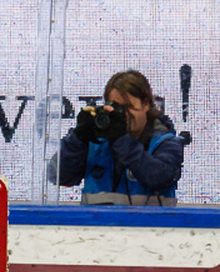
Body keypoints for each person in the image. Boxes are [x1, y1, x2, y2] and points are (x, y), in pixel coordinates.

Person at [48, 69, 184, 205]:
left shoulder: (167, 143)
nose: (124, 114)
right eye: (117, 107)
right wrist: (78, 139)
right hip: (96, 225)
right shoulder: (97, 143)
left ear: (146, 104)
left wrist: (120, 139)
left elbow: (159, 177)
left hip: (150, 225)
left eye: (129, 107)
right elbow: (57, 175)